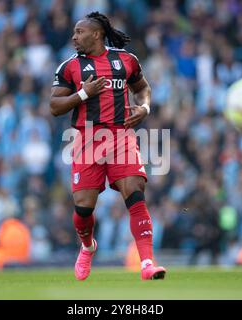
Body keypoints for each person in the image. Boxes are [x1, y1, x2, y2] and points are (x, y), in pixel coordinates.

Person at [50, 12, 166, 280]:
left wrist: (145, 107)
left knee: (135, 192)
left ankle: (147, 262)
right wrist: (83, 94)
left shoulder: (126, 60)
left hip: (120, 135)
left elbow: (143, 87)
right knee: (83, 209)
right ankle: (88, 246)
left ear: (96, 34)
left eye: (79, 32)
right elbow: (54, 106)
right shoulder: (69, 67)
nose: (74, 37)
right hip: (87, 139)